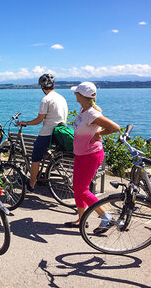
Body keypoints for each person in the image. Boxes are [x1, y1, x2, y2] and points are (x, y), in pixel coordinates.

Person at [64, 82, 120, 230]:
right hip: (81, 154)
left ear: (81, 96)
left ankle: (106, 217)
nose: (74, 94)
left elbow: (115, 127)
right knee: (77, 188)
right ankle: (82, 219)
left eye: (76, 93)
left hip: (91, 155)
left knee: (82, 189)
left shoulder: (92, 114)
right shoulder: (84, 109)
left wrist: (99, 134)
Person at [17, 73, 68, 191]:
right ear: (53, 85)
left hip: (48, 133)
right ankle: (49, 167)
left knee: (35, 158)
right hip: (59, 132)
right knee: (46, 151)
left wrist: (25, 123)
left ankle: (31, 184)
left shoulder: (46, 99)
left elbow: (39, 120)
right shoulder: (61, 98)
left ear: (42, 87)